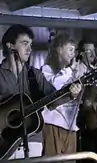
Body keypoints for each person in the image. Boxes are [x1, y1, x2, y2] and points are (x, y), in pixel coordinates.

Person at [0, 24, 81, 159]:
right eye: (24, 43)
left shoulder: (34, 75)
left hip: (32, 141)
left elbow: (52, 101)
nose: (29, 49)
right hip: (4, 142)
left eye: (31, 45)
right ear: (10, 46)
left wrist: (70, 95)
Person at [41, 33, 83, 156]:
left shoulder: (74, 73)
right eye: (70, 49)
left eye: (74, 50)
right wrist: (69, 70)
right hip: (53, 125)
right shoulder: (46, 70)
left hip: (70, 127)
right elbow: (54, 86)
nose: (73, 54)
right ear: (59, 50)